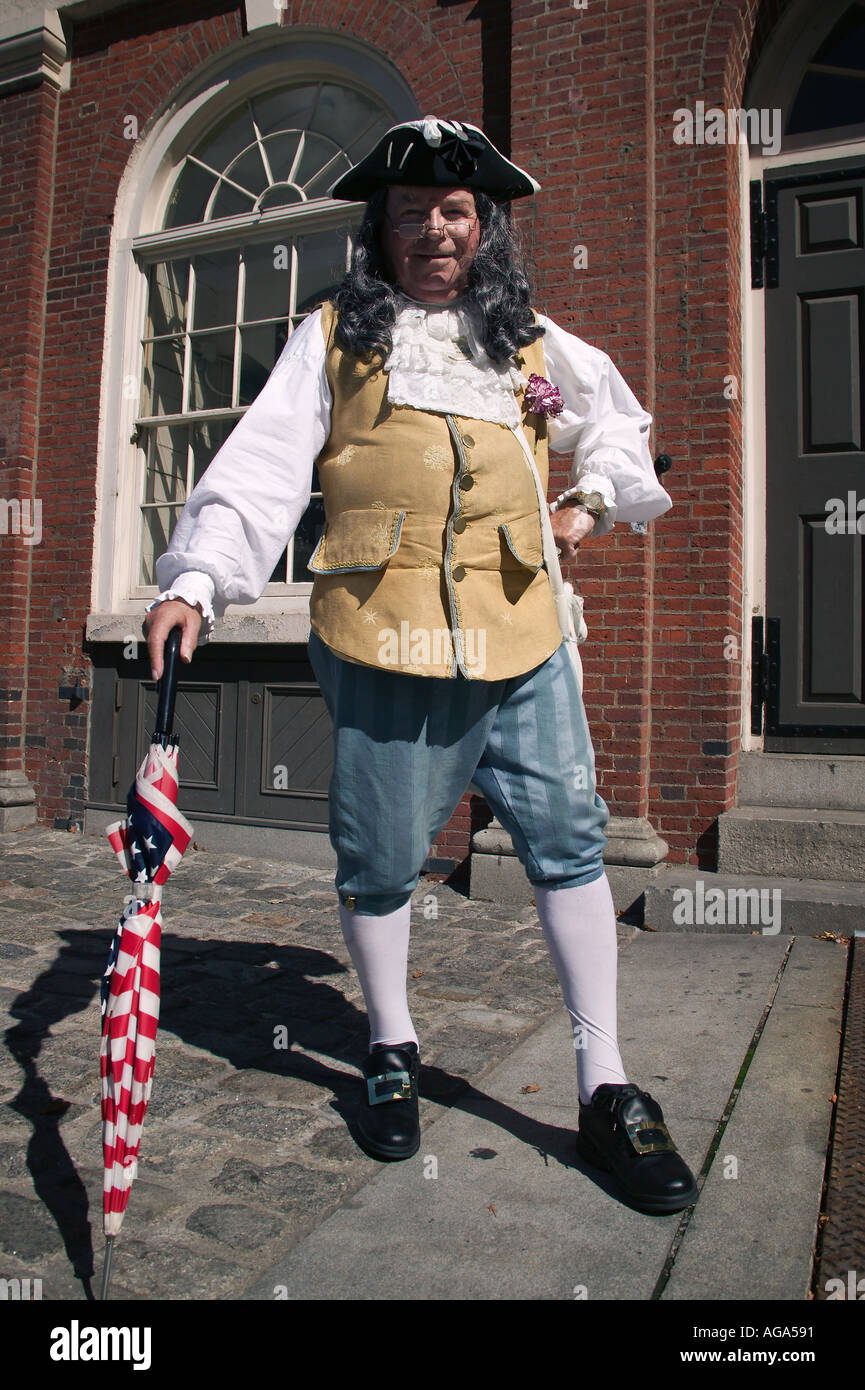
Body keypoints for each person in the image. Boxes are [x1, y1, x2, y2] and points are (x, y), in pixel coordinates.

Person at [144, 115, 697, 1214]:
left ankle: (606, 1081)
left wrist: (586, 502)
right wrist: (196, 579)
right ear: (381, 228)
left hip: (522, 634)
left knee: (569, 842)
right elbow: (258, 469)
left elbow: (619, 433)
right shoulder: (333, 338)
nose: (435, 230)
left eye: (455, 211)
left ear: (482, 226)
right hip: (381, 635)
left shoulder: (533, 340)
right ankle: (390, 1042)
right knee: (383, 853)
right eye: (412, 212)